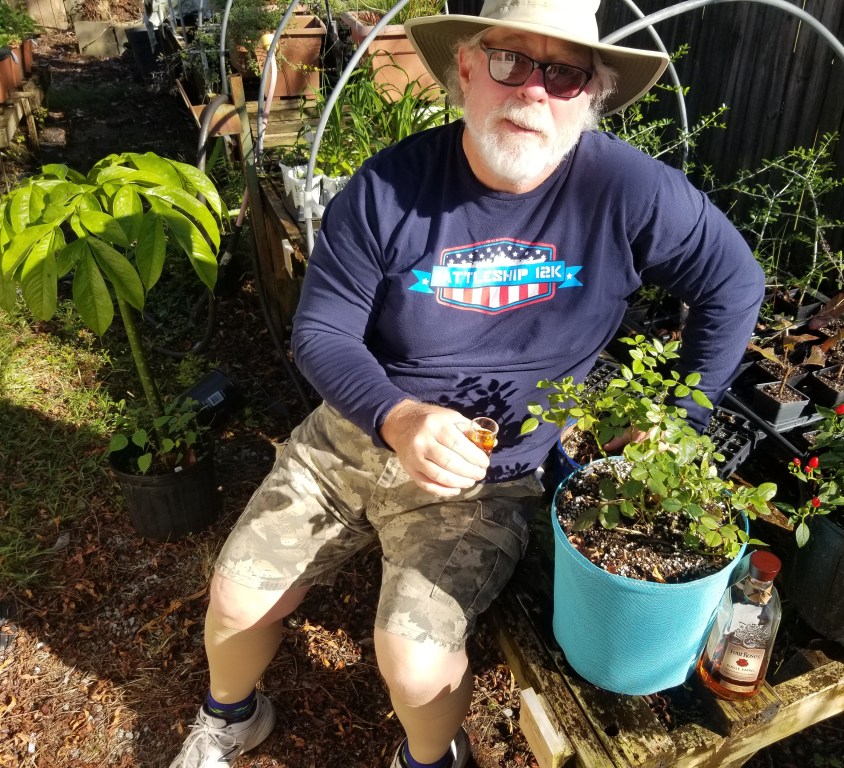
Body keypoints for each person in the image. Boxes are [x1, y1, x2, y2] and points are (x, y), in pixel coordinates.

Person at [169, 0, 765, 766]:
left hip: (491, 473)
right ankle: (232, 716)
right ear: (466, 69)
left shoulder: (629, 192)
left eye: (564, 73)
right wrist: (397, 414)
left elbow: (733, 285)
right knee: (238, 598)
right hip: (356, 432)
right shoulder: (392, 187)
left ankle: (430, 758)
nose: (533, 92)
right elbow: (320, 329)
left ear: (594, 95)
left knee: (412, 659)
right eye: (511, 62)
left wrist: (679, 415)